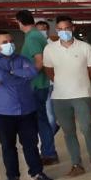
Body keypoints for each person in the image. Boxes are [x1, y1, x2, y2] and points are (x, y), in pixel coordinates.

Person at [0, 31, 55, 180]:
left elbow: (32, 72)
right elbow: (0, 77)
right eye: (4, 41)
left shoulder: (22, 59)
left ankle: (37, 173)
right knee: (8, 145)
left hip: (27, 110)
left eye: (11, 40)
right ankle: (13, 176)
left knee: (31, 144)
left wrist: (11, 74)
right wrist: (19, 76)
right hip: (2, 112)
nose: (9, 44)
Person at [43, 17, 91, 177]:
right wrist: (63, 83)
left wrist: (79, 82)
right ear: (56, 31)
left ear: (73, 28)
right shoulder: (50, 49)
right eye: (60, 29)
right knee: (69, 132)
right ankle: (77, 164)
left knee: (87, 128)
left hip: (82, 94)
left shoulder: (85, 47)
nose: (64, 32)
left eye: (66, 28)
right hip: (60, 97)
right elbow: (49, 71)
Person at [16, 9, 58, 166]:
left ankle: (48, 153)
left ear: (19, 22)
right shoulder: (36, 36)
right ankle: (49, 152)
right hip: (40, 84)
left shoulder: (32, 38)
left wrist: (24, 76)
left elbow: (39, 62)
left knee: (39, 121)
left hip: (36, 85)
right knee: (42, 120)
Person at [35, 19, 61, 142]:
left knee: (52, 116)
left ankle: (46, 141)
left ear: (48, 30)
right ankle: (46, 142)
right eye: (39, 30)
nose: (42, 32)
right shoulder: (33, 44)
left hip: (53, 83)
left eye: (44, 30)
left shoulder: (54, 45)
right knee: (47, 114)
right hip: (40, 84)